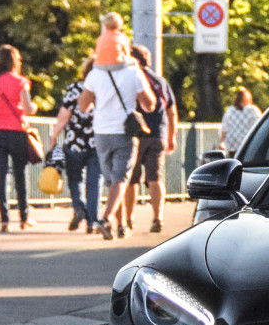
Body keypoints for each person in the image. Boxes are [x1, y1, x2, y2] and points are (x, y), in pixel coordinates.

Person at [78, 55, 157, 240]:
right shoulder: (133, 72)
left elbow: (83, 106)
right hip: (125, 132)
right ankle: (106, 219)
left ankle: (120, 226)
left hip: (101, 133)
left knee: (112, 181)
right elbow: (150, 104)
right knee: (120, 179)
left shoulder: (95, 73)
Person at [123, 45, 177, 234]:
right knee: (155, 178)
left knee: (131, 179)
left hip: (136, 134)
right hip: (159, 134)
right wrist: (172, 135)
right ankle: (157, 217)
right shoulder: (161, 81)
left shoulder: (133, 78)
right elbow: (171, 110)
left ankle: (129, 219)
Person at [0, 44, 37, 232]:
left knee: (1, 175)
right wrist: (34, 107)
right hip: (16, 132)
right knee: (20, 175)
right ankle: (24, 217)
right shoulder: (20, 82)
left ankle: (4, 220)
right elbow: (28, 109)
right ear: (15, 61)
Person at [49, 57, 101, 233]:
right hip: (97, 142)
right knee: (94, 182)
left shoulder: (74, 89)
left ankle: (79, 207)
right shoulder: (104, 89)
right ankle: (93, 221)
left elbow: (64, 116)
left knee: (75, 179)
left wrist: (54, 137)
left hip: (74, 143)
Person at [220, 87, 261, 154]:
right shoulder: (253, 110)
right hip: (248, 145)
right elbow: (260, 124)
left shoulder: (230, 110)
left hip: (232, 145)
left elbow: (224, 128)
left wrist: (222, 142)